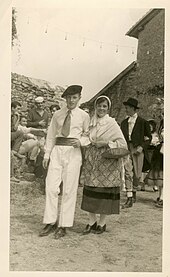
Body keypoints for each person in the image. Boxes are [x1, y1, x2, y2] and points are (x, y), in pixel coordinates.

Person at [39, 85, 90, 239]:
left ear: (79, 98)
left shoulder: (83, 116)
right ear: (65, 99)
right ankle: (50, 221)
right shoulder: (57, 115)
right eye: (68, 97)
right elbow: (51, 135)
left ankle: (64, 225)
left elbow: (88, 136)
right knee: (51, 187)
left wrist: (80, 142)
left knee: (69, 189)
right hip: (57, 151)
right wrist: (47, 155)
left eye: (74, 97)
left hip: (73, 153)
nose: (71, 100)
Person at [81, 95, 127, 235]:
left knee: (104, 194)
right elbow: (84, 137)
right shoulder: (90, 122)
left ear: (108, 109)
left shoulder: (112, 124)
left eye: (104, 106)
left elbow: (122, 144)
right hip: (92, 161)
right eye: (99, 106)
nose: (101, 108)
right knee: (90, 191)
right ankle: (91, 221)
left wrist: (106, 143)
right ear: (95, 107)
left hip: (107, 162)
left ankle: (102, 223)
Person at [121, 97, 151, 205]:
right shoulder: (124, 123)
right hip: (127, 148)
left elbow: (148, 138)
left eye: (128, 108)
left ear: (133, 109)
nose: (126, 110)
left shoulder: (143, 122)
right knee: (128, 172)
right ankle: (129, 196)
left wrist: (142, 147)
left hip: (138, 149)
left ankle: (134, 191)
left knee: (137, 175)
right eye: (126, 108)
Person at [27, 96, 49, 177]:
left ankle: (38, 172)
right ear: (36, 104)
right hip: (33, 135)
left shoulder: (46, 114)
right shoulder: (31, 112)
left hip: (42, 136)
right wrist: (38, 123)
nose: (40, 105)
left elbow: (46, 125)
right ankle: (30, 171)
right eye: (38, 104)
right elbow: (27, 123)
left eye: (41, 103)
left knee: (41, 153)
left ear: (44, 103)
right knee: (32, 153)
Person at [145, 119, 164, 207]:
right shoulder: (162, 127)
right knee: (160, 175)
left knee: (163, 175)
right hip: (160, 151)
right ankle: (161, 196)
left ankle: (163, 198)